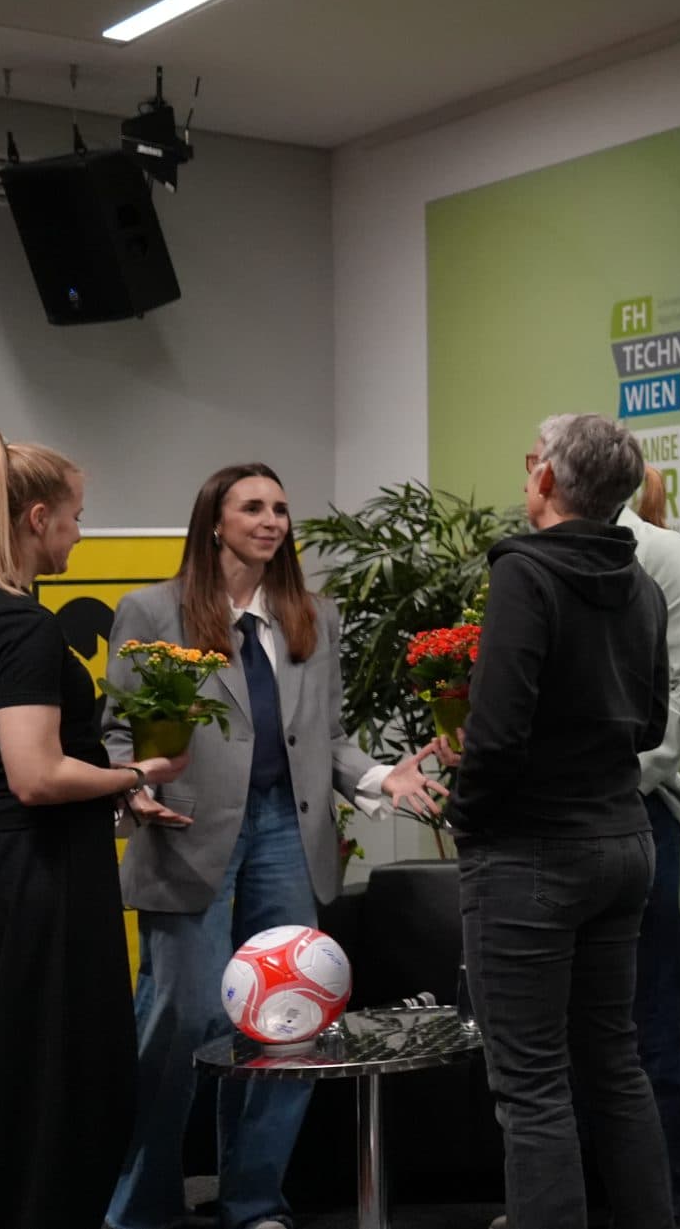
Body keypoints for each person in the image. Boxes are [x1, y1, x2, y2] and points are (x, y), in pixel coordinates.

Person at [109, 463, 446, 1229]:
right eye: (253, 507)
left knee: (288, 1018)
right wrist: (131, 787)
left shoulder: (312, 615)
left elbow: (327, 737)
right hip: (187, 831)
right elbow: (118, 728)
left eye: (281, 508)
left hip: (286, 831)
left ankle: (255, 1200)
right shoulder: (152, 609)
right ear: (214, 521)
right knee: (184, 1018)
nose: (271, 520)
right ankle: (141, 1205)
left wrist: (381, 777)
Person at [450, 413, 672, 1229]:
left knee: (533, 1083)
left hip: (531, 853)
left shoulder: (525, 573)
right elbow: (651, 724)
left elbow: (496, 733)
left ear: (546, 478)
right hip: (624, 840)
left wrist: (467, 819)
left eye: (531, 462)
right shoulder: (642, 582)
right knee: (614, 1063)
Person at [0, 436, 191, 1227]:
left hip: (25, 869)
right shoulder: (25, 627)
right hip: (42, 878)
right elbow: (35, 774)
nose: (80, 533)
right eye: (77, 517)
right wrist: (139, 772)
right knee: (59, 1084)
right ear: (38, 517)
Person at [591, 470, 680, 1224]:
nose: (532, 477)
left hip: (637, 814)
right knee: (567, 1037)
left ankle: (661, 1211)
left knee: (645, 1029)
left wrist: (629, 773)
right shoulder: (537, 559)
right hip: (558, 824)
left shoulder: (664, 554)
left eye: (541, 461)